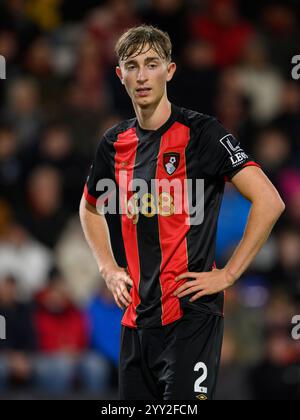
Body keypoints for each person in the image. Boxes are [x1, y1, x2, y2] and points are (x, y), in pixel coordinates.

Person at [79, 25, 285, 400]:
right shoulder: (112, 144)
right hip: (137, 321)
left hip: (191, 315)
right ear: (119, 75)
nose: (142, 76)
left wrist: (229, 274)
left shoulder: (204, 133)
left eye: (152, 64)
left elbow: (270, 201)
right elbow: (90, 207)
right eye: (132, 65)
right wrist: (107, 267)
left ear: (169, 71)